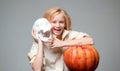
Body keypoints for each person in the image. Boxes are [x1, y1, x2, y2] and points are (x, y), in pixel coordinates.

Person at [28, 7, 94, 71]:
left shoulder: (69, 35)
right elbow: (37, 69)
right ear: (47, 24)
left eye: (61, 22)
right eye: (54, 22)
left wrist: (62, 43)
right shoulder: (38, 44)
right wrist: (40, 42)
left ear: (65, 24)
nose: (58, 25)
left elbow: (90, 41)